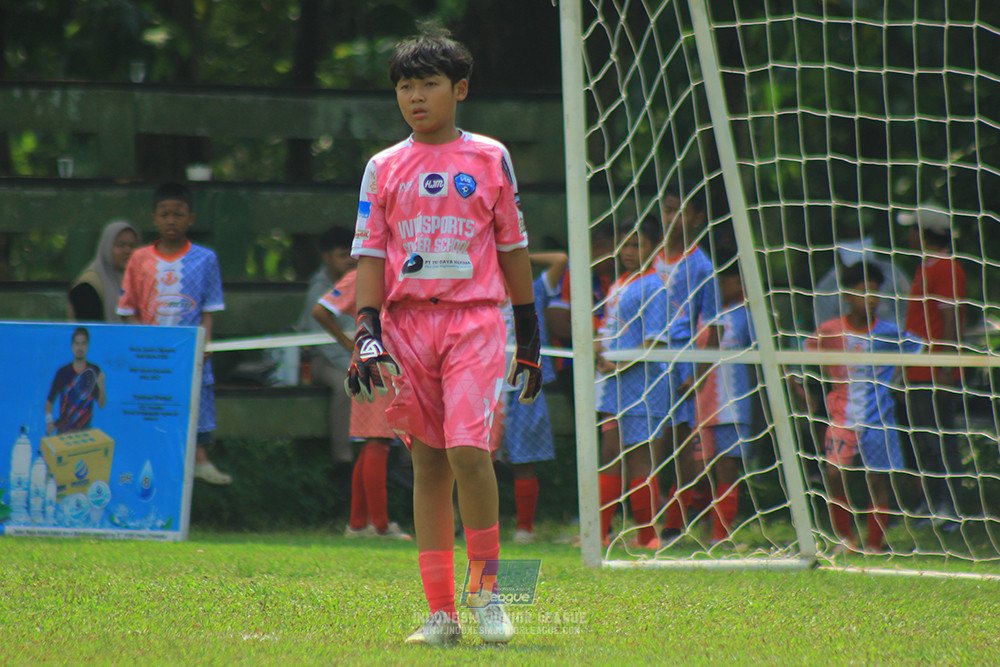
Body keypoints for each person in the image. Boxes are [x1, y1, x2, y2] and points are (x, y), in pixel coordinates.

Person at [345, 28, 539, 646]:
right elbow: (371, 255)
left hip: (476, 320)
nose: (416, 96)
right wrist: (366, 333)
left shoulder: (489, 156)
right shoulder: (382, 168)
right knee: (427, 462)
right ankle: (440, 614)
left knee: (467, 451)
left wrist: (529, 336)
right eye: (405, 86)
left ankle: (487, 597)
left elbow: (513, 248)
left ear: (459, 90)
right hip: (405, 325)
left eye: (429, 84)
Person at [800, 262, 923, 553]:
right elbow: (802, 355)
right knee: (833, 473)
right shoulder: (829, 331)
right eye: (862, 292)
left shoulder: (890, 333)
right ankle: (846, 539)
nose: (870, 298)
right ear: (846, 295)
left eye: (875, 292)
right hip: (841, 417)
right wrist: (804, 389)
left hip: (879, 418)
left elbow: (917, 349)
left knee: (878, 479)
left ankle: (874, 543)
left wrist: (898, 380)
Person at [117, 182, 232, 485]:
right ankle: (144, 463)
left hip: (188, 350)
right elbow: (128, 310)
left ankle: (201, 459)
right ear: (154, 218)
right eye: (165, 214)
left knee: (197, 396)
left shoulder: (205, 259)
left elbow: (209, 310)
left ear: (191, 218)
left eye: (178, 214)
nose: (171, 220)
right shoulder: (139, 259)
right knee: (151, 406)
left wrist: (203, 344)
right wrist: (144, 343)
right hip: (151, 353)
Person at [312, 267, 412, 540]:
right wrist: (350, 345)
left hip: (394, 364)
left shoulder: (401, 270)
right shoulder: (365, 273)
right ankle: (380, 526)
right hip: (377, 365)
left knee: (373, 443)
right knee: (378, 442)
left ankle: (357, 524)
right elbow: (321, 310)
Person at [594, 216, 671, 550]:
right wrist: (599, 354)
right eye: (624, 244)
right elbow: (605, 332)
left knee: (638, 457)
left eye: (636, 245)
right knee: (610, 453)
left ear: (653, 247)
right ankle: (599, 533)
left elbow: (657, 342)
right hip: (611, 384)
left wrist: (619, 363)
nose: (628, 251)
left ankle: (647, 535)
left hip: (640, 386)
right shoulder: (619, 283)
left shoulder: (656, 286)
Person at [654, 182, 722, 543]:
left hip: (679, 359)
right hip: (641, 358)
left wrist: (699, 373)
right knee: (640, 441)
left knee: (679, 442)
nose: (671, 218)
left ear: (697, 218)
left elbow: (715, 326)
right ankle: (642, 517)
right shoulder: (647, 255)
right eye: (666, 209)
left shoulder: (701, 265)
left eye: (680, 211)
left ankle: (675, 521)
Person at [897, 203, 967, 528]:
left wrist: (946, 366)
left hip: (934, 370)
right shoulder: (927, 267)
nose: (908, 234)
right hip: (918, 370)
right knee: (925, 439)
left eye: (912, 228)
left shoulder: (946, 268)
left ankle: (951, 508)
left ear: (924, 233)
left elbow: (950, 318)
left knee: (942, 438)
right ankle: (933, 501)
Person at [500, 251, 567, 545]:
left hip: (523, 386)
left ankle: (525, 528)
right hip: (483, 385)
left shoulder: (533, 288)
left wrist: (516, 251)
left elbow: (560, 260)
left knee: (523, 458)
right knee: (472, 459)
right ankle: (468, 525)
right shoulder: (476, 295)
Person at [693, 258, 757, 546]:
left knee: (727, 468)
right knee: (699, 470)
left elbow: (764, 356)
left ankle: (721, 535)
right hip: (697, 404)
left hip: (732, 404)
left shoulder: (747, 316)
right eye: (730, 280)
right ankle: (699, 530)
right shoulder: (700, 313)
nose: (735, 287)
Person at [296, 226, 358, 468]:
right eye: (343, 254)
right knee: (346, 385)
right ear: (327, 258)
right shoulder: (318, 291)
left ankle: (405, 459)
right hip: (322, 358)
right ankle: (342, 459)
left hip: (357, 355)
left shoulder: (363, 279)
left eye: (353, 253)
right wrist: (355, 366)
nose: (350, 259)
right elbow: (323, 343)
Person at [813, 216, 911, 329]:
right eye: (850, 236)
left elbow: (909, 311)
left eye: (861, 234)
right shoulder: (827, 288)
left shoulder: (892, 273)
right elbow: (825, 329)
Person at [68, 220, 141, 322]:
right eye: (120, 245)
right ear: (107, 247)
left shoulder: (139, 281)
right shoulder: (88, 286)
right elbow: (90, 331)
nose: (127, 251)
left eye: (132, 246)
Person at [45, 326, 107, 435]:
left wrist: (101, 385)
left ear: (87, 346)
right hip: (63, 433)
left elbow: (101, 404)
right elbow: (49, 402)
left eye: (83, 344)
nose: (80, 348)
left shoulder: (94, 370)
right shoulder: (62, 372)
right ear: (72, 346)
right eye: (77, 344)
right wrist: (49, 422)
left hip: (85, 433)